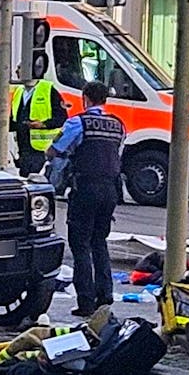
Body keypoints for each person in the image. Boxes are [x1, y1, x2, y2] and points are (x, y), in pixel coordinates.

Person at [46, 81, 126, 317]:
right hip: (110, 189)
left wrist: (53, 157)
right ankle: (105, 294)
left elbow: (56, 149)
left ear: (85, 98)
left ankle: (86, 301)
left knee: (80, 244)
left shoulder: (78, 122)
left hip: (86, 187)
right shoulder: (117, 125)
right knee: (99, 241)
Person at [10, 71, 67, 176]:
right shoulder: (19, 91)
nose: (17, 71)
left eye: (20, 67)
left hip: (42, 150)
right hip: (23, 148)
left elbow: (61, 118)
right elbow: (16, 120)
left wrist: (43, 124)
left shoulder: (48, 89)